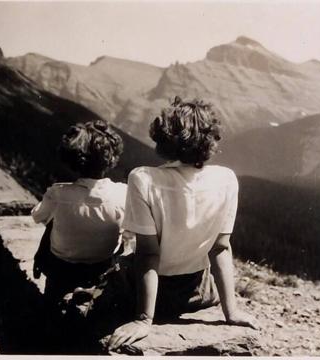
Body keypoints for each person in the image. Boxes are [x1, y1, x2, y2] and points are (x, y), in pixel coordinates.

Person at [108, 97, 258, 350]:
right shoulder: (227, 179)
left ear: (163, 138)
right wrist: (231, 312)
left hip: (143, 293)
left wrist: (144, 319)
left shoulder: (144, 178)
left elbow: (148, 253)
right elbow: (220, 248)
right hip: (199, 293)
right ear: (210, 140)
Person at [31, 119, 127, 307]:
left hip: (61, 269)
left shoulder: (58, 193)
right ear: (110, 159)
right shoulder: (123, 193)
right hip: (101, 267)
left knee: (53, 223)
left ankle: (52, 306)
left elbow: (38, 216)